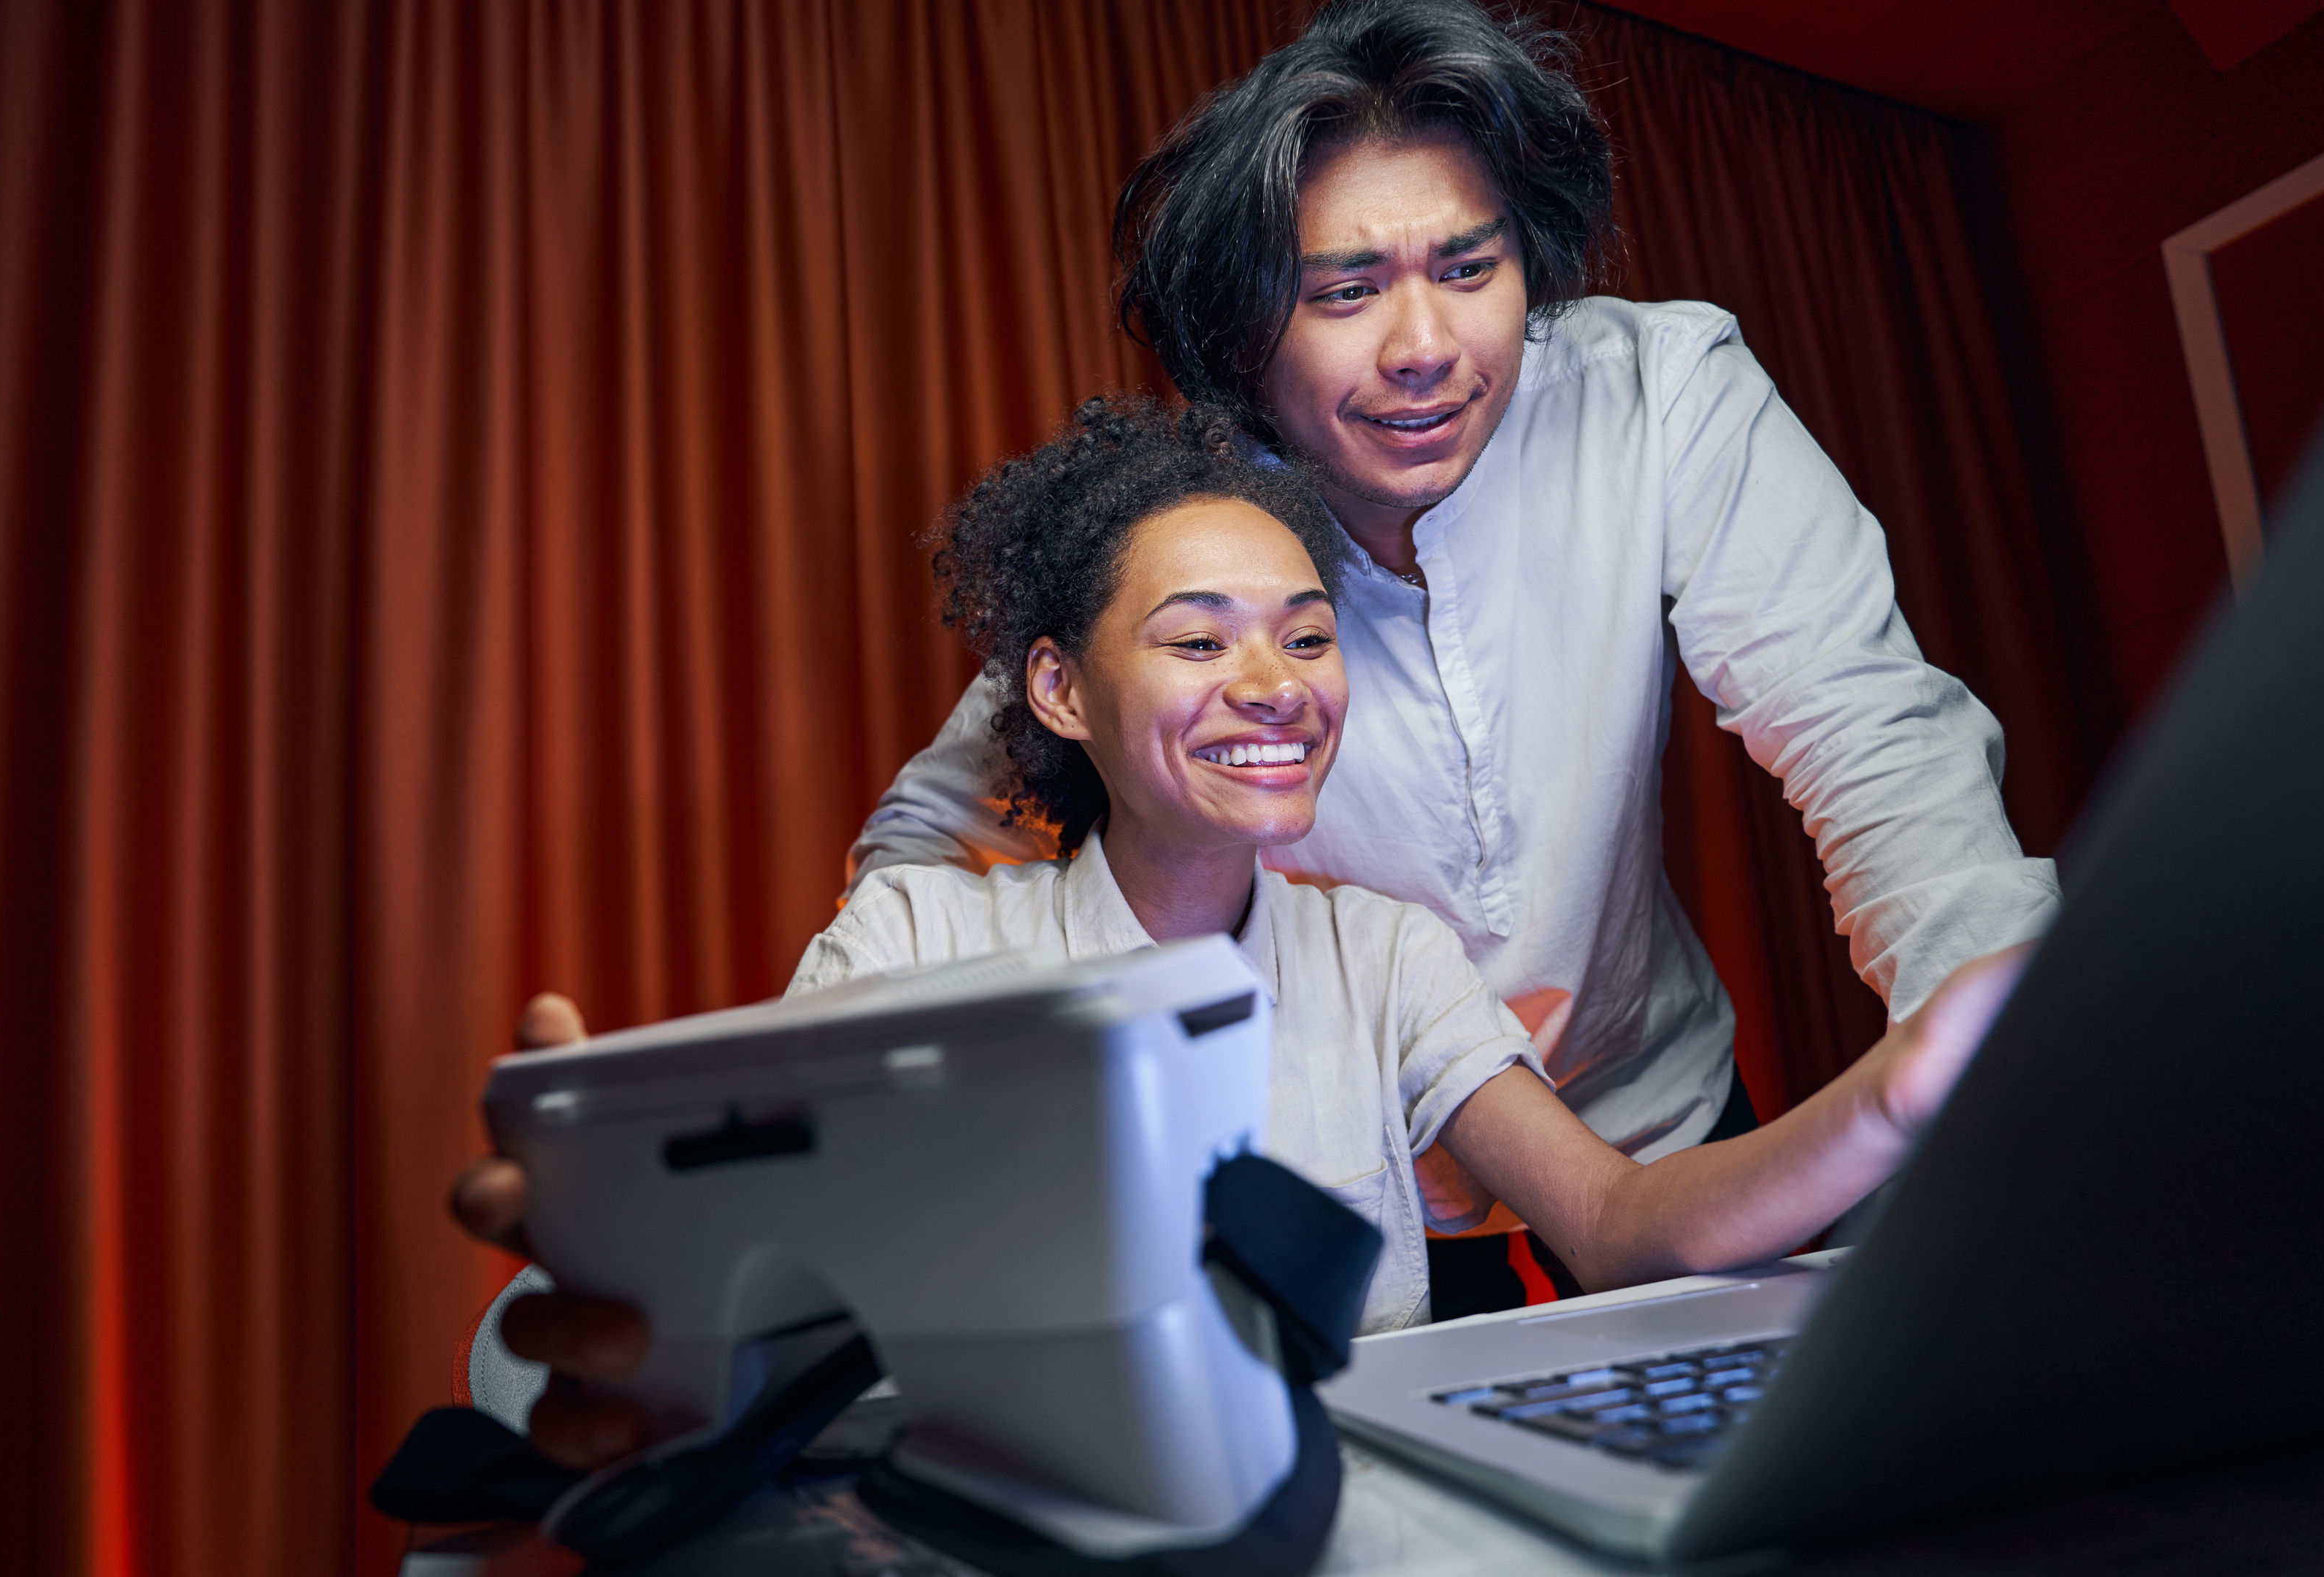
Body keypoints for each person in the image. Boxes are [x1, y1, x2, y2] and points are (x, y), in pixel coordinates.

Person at [451, 400, 2026, 1466]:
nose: (1275, 685)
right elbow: (755, 1296)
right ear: (1062, 691)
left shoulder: (1387, 958)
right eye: (1198, 638)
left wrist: (1896, 1094)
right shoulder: (918, 933)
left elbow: (1616, 1227)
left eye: (1310, 636)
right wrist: (631, 1254)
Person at [848, 0, 2062, 1243]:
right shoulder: (1198, 537)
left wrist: (1998, 1045)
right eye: (1346, 292)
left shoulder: (1659, 395)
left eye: (1470, 270)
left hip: (1658, 1125)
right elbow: (929, 843)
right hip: (1351, 1178)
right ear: (1245, 336)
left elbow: (1869, 736)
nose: (1425, 347)